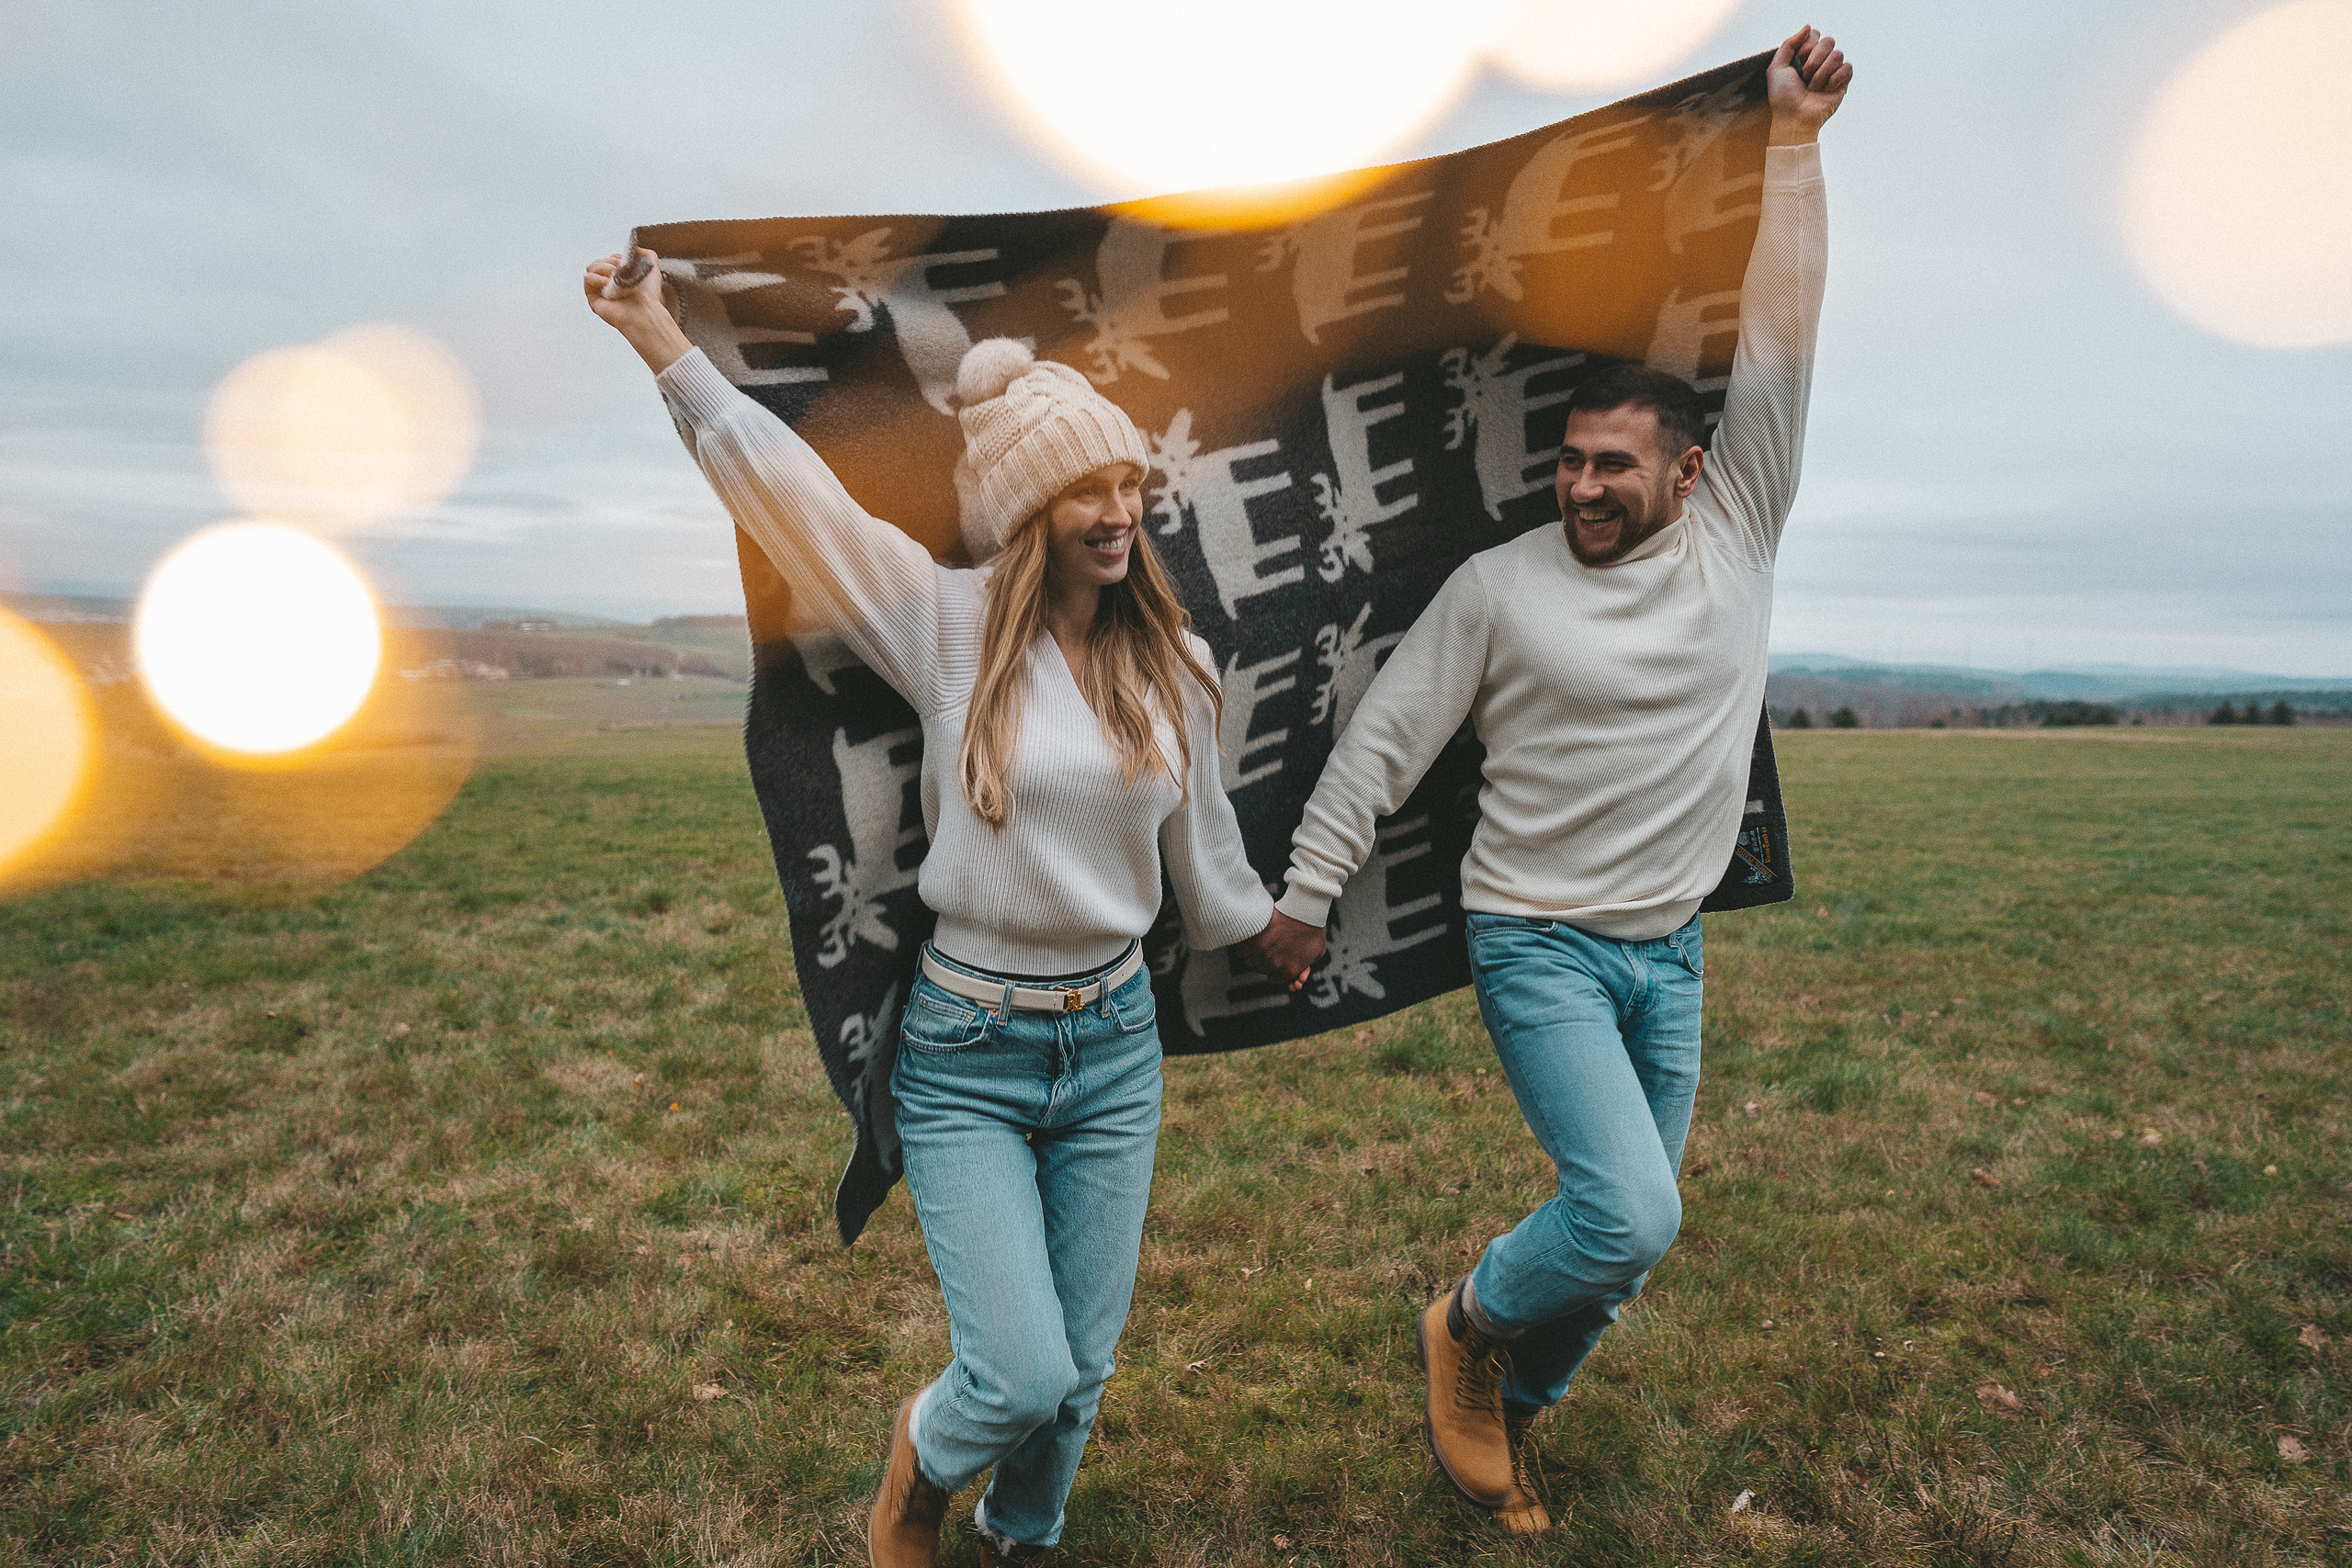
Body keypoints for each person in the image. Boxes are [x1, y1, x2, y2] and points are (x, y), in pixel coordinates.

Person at [1245, 25, 1852, 1536]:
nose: (1581, 486)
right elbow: (1386, 741)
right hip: (1541, 941)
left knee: (1632, 1243)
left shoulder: (1739, 532)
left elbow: (1782, 342)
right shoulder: (1500, 588)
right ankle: (1464, 1326)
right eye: (1571, 462)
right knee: (1629, 1210)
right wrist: (1308, 892)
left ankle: (1512, 1404)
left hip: (1673, 947)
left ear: (1689, 474)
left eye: (1612, 467)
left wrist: (1792, 147)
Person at [582, 268, 1281, 1565]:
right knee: (1019, 1372)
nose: (1119, 512)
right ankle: (923, 1461)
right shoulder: (946, 629)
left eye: (1127, 483)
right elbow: (794, 502)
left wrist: (1265, 924)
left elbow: (1204, 838)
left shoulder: (1174, 663)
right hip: (970, 1047)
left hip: (1114, 1045)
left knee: (1082, 1371)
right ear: (1026, 512)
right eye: (1085, 489)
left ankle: (1025, 1535)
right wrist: (660, 341)